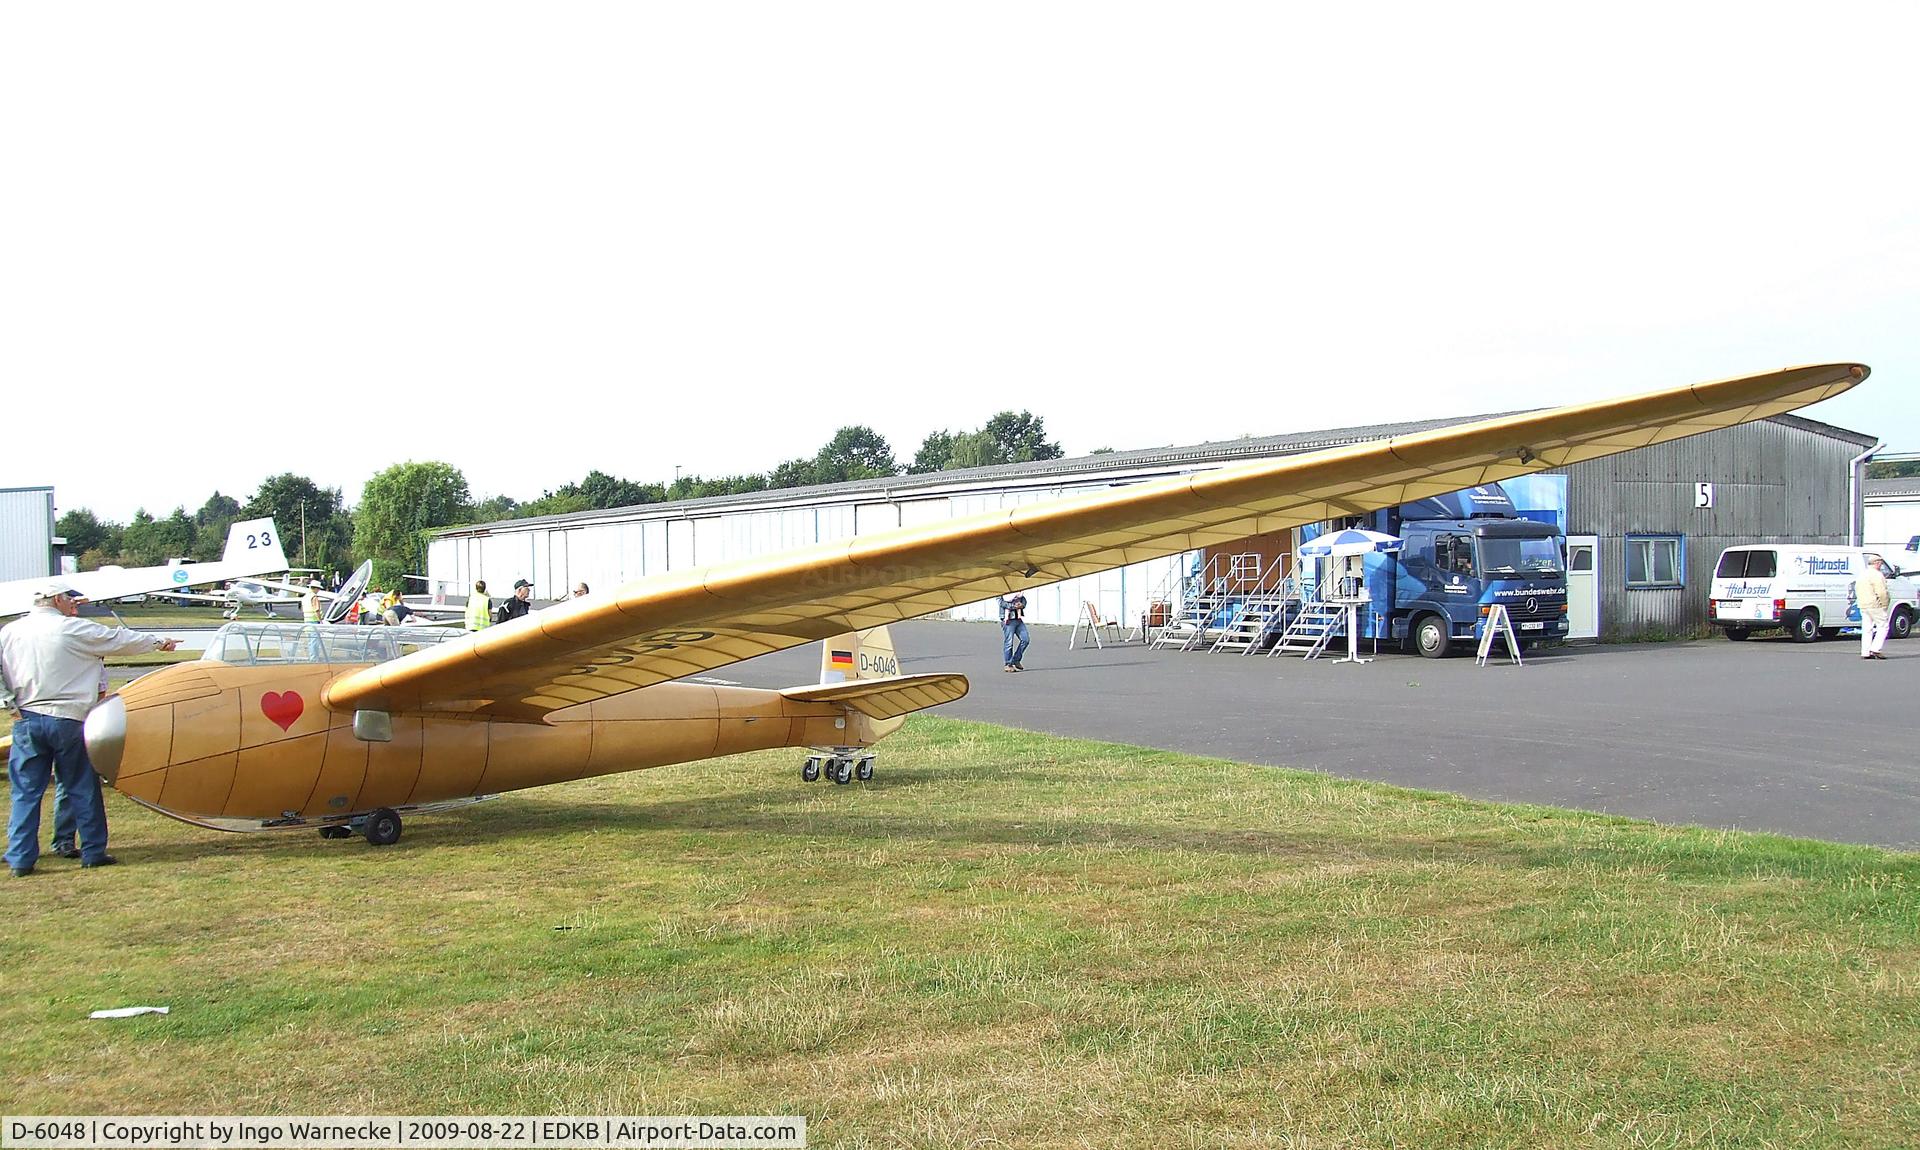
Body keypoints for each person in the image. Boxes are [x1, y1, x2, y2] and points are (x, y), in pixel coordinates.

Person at [2, 581, 178, 876]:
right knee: (81, 786)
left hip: (27, 717)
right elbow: (117, 640)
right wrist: (158, 642)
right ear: (57, 599)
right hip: (69, 718)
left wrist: (9, 705)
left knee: (26, 791)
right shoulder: (72, 629)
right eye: (68, 599)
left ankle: (20, 858)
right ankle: (93, 851)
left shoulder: (9, 632)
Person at [1858, 557, 1892, 660]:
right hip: (1875, 604)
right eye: (1880, 563)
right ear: (1876, 563)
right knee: (1883, 626)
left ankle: (1865, 651)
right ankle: (1876, 648)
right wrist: (1885, 604)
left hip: (1863, 604)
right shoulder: (1877, 575)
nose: (1881, 565)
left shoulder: (1862, 574)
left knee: (1867, 628)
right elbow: (1881, 592)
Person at [999, 592, 1029, 672]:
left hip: (1018, 619)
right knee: (1009, 642)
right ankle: (1008, 664)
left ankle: (1016, 659)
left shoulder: (1016, 589)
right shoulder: (1001, 590)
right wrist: (1013, 606)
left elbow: (1023, 599)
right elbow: (1001, 602)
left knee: (1025, 639)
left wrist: (1022, 605)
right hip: (1008, 620)